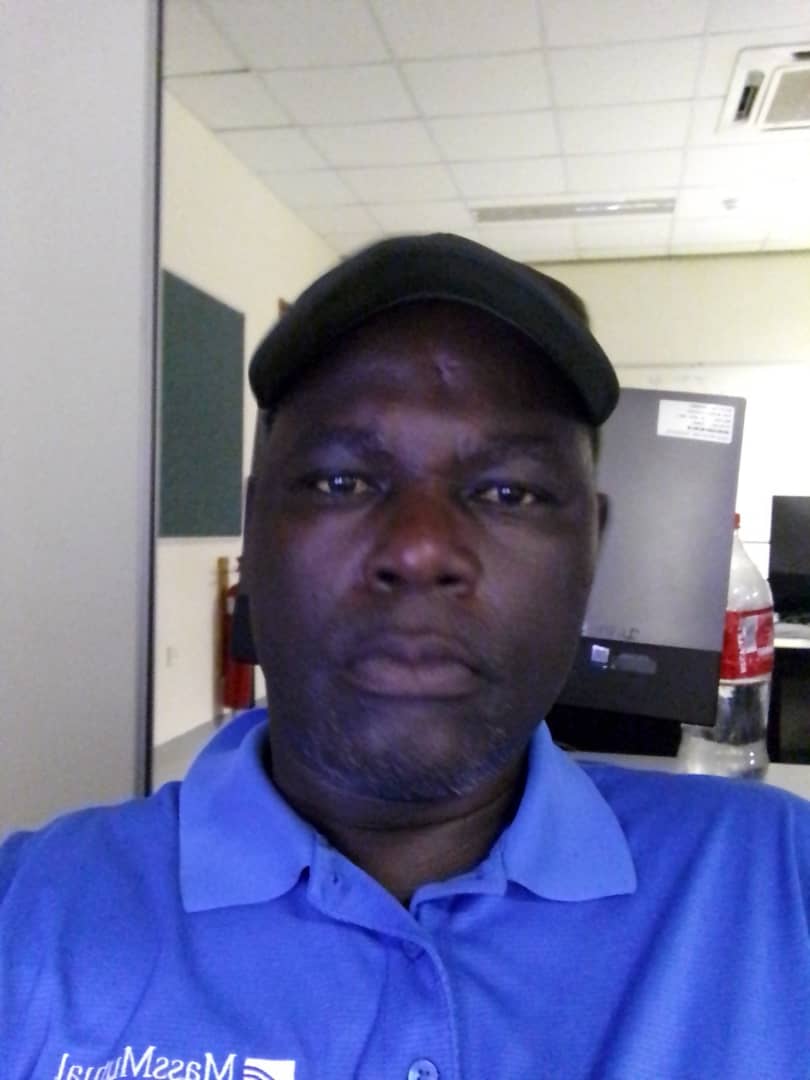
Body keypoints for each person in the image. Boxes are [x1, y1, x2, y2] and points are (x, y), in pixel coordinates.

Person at [2, 234, 809, 1080]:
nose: (421, 549)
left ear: (592, 550)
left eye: (509, 491)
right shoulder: (29, 918)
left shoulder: (777, 889)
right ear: (253, 528)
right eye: (341, 482)